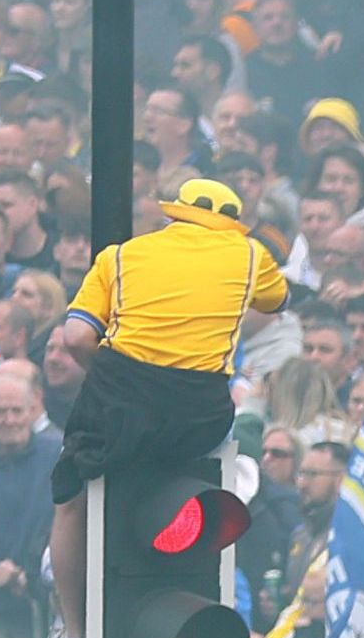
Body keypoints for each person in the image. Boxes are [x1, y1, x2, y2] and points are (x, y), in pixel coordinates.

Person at [45, 178, 285, 500]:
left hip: (118, 402)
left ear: (173, 218)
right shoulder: (252, 255)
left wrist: (106, 375)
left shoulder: (120, 255)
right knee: (205, 489)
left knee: (75, 496)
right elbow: (277, 301)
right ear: (231, 226)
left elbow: (75, 337)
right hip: (200, 414)